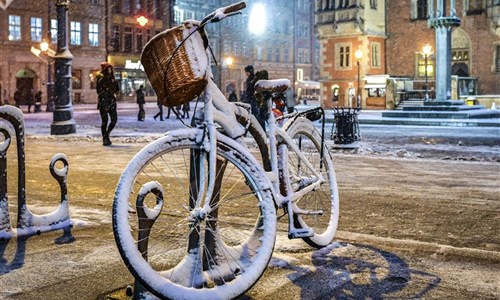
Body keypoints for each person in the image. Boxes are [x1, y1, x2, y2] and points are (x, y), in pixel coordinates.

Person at [96, 62, 119, 146]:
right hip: (104, 102)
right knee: (104, 121)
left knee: (114, 120)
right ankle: (105, 139)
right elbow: (99, 91)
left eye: (110, 69)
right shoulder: (101, 79)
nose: (109, 70)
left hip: (111, 102)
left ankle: (106, 135)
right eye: (108, 69)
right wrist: (107, 91)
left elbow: (117, 89)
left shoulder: (112, 79)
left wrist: (113, 88)